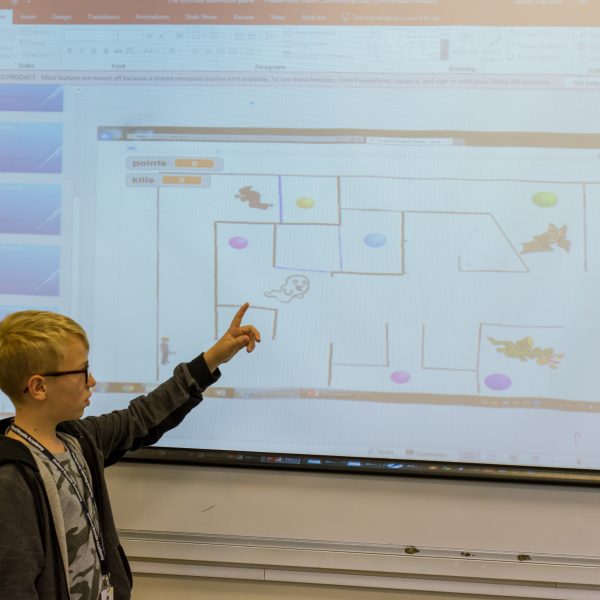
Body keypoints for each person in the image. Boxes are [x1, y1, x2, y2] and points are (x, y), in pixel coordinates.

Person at [0, 303, 260, 600]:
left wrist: (212, 358)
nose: (92, 381)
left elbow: (143, 416)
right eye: (82, 371)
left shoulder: (79, 439)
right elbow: (14, 586)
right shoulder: (12, 477)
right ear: (39, 387)